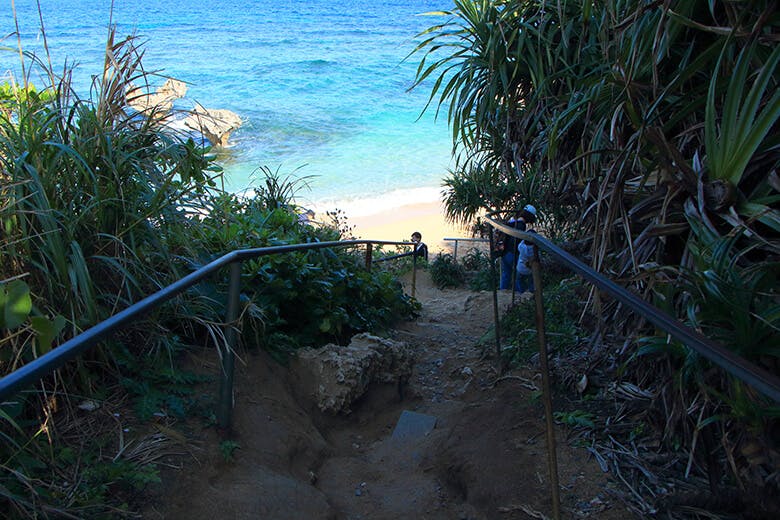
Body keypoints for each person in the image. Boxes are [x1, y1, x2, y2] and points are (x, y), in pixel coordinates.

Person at [499, 204, 536, 290]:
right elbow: (517, 243)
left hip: (505, 252)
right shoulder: (521, 225)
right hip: (513, 254)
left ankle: (502, 292)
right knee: (517, 276)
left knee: (506, 275)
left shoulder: (512, 222)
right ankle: (518, 295)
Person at [515, 205, 538, 293]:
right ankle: (532, 291)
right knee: (531, 281)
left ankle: (520, 292)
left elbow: (519, 246)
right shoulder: (533, 249)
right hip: (529, 270)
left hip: (520, 268)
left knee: (519, 280)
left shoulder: (522, 246)